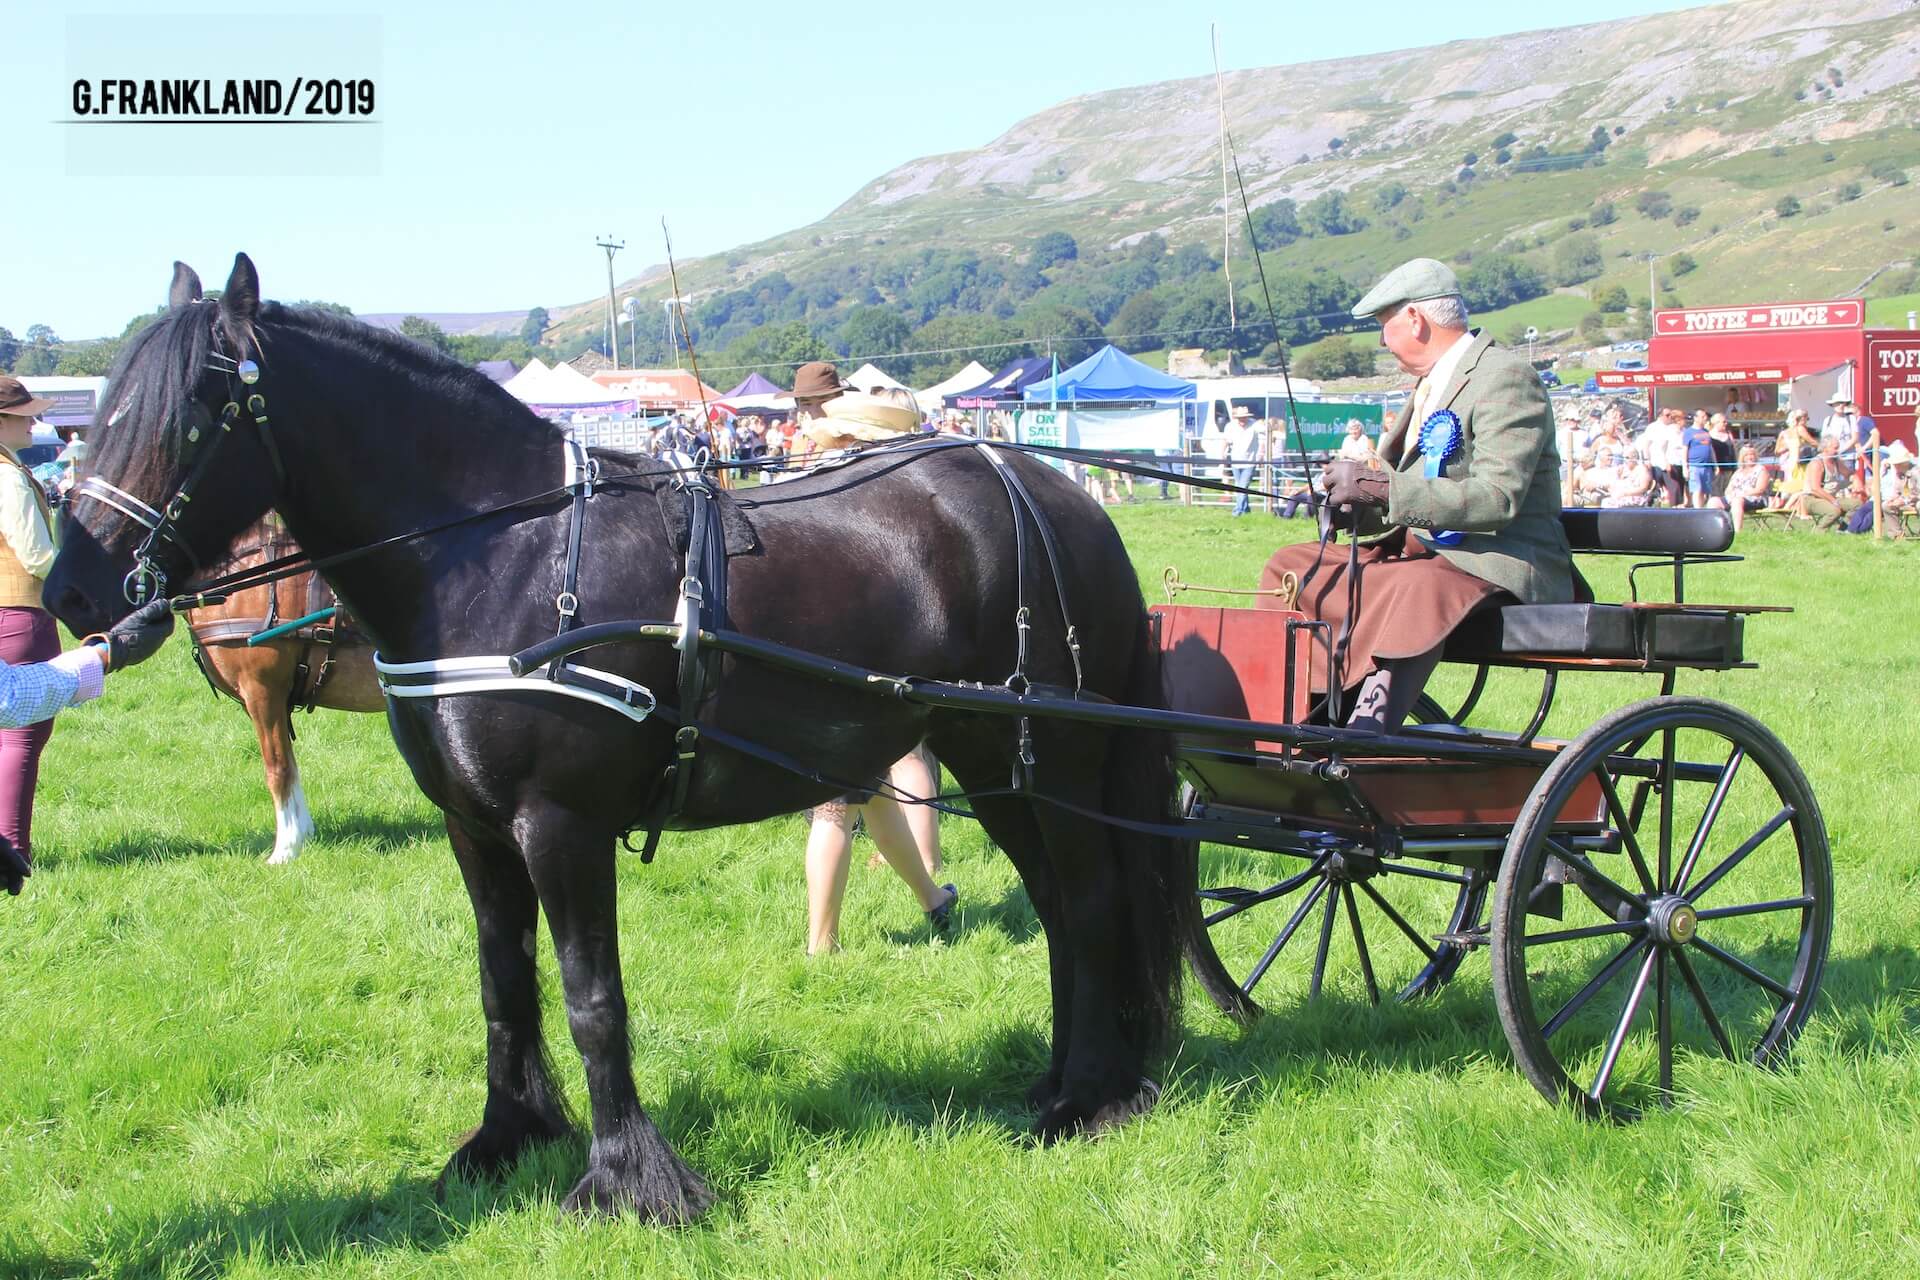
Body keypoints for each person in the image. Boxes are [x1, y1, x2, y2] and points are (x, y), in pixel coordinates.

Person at [1255, 258, 1573, 734]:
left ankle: (1368, 729)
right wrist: (1349, 506)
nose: (1383, 342)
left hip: (1496, 559)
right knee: (1292, 565)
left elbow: (1497, 497)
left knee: (1415, 587)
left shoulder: (1505, 377)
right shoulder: (1430, 386)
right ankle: (1286, 712)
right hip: (1429, 555)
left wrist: (1380, 487)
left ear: (1414, 319)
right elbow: (1404, 494)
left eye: (1384, 326)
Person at [1723, 445, 1772, 533]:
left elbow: (1759, 490)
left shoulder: (1761, 470)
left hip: (1754, 499)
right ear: (1742, 457)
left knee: (1737, 501)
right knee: (1713, 501)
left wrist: (1741, 494)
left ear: (1755, 456)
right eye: (1746, 455)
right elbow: (1728, 489)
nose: (1750, 457)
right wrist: (1730, 494)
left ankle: (1737, 532)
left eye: (1752, 454)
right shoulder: (1738, 472)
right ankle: (1718, 530)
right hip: (1734, 497)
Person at [1225, 405, 1263, 516]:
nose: (1242, 420)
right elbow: (1227, 440)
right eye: (1240, 418)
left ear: (1247, 417)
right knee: (1240, 486)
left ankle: (1237, 511)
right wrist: (1223, 453)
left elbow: (1266, 430)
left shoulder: (1254, 424)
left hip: (1249, 462)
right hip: (1235, 461)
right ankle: (1246, 509)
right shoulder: (1231, 426)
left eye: (1244, 417)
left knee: (1242, 487)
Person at [1681, 411, 1716, 508]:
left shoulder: (1706, 432)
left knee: (1705, 491)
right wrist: (1685, 467)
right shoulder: (1688, 432)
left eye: (1705, 416)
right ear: (1695, 418)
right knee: (1697, 489)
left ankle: (1701, 508)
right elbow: (1685, 449)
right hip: (1694, 466)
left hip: (1707, 466)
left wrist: (1715, 464)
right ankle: (1697, 510)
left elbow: (1711, 448)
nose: (1705, 418)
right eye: (1703, 416)